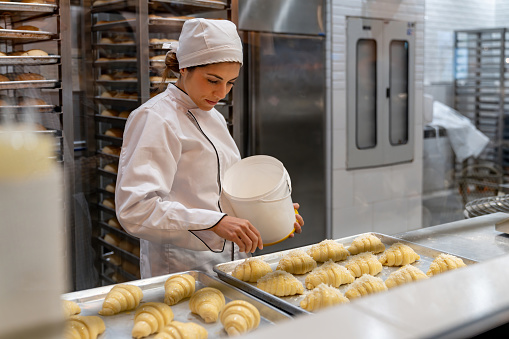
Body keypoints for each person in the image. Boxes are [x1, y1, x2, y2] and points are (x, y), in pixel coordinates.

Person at [115, 18, 304, 278]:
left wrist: (270, 214)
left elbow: (217, 194)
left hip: (234, 264)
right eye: (213, 80)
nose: (222, 92)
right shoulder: (155, 118)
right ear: (184, 69)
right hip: (182, 270)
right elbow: (136, 209)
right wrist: (213, 223)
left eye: (230, 82)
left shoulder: (212, 115)